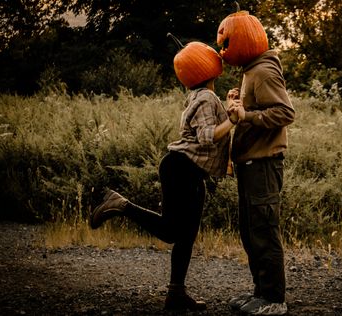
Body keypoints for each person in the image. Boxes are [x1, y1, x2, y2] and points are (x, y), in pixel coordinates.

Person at [89, 41, 241, 312]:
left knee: (186, 235)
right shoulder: (205, 98)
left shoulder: (201, 97)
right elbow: (208, 137)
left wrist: (228, 106)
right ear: (208, 68)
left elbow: (208, 129)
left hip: (188, 171)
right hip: (181, 169)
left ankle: (176, 293)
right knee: (173, 231)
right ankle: (119, 204)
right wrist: (233, 121)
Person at [225, 44, 295, 316]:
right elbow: (252, 113)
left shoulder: (264, 70)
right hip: (250, 164)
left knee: (264, 231)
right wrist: (240, 106)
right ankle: (260, 293)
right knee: (251, 232)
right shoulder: (250, 71)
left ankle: (274, 299)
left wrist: (248, 115)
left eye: (228, 42)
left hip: (264, 164)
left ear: (246, 40)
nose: (224, 47)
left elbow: (286, 113)